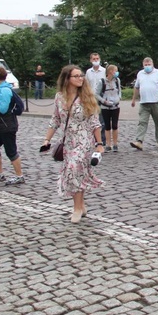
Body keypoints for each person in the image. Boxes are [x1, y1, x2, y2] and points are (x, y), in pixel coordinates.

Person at [41, 65, 104, 223]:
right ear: (67, 79)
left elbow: (94, 122)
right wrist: (46, 140)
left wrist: (100, 143)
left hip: (83, 139)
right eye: (76, 76)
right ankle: (81, 205)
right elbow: (55, 119)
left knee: (74, 168)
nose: (80, 78)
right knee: (75, 173)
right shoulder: (59, 97)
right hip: (68, 141)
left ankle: (76, 209)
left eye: (81, 75)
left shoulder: (86, 97)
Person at [0, 67, 25, 186]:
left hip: (7, 126)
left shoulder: (5, 90)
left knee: (11, 151)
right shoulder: (0, 89)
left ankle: (19, 176)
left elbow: (2, 109)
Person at [130, 57, 158, 150]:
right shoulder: (140, 73)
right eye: (145, 65)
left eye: (149, 64)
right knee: (142, 122)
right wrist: (133, 99)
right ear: (143, 65)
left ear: (152, 64)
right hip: (144, 102)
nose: (147, 66)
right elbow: (137, 87)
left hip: (156, 102)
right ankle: (139, 141)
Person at [95, 64, 122, 152]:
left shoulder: (117, 80)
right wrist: (104, 101)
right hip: (105, 107)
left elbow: (119, 92)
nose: (116, 72)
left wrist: (118, 99)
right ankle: (108, 144)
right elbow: (96, 94)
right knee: (107, 126)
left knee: (115, 125)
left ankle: (115, 144)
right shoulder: (102, 81)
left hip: (115, 106)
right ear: (110, 71)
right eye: (115, 70)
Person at [86, 53, 106, 144]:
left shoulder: (104, 71)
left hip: (101, 98)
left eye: (97, 58)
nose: (96, 60)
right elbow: (86, 85)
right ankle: (93, 138)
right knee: (92, 119)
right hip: (91, 98)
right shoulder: (88, 72)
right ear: (90, 60)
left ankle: (102, 139)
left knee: (102, 119)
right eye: (94, 59)